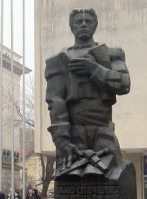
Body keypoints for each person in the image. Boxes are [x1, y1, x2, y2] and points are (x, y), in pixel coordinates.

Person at [45, 8, 130, 177]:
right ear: (71, 26)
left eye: (88, 21)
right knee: (71, 178)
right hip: (74, 132)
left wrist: (95, 69)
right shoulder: (57, 61)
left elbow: (124, 84)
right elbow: (55, 100)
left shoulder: (112, 54)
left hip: (103, 128)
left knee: (112, 176)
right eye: (78, 21)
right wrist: (62, 140)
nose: (83, 24)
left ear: (95, 25)